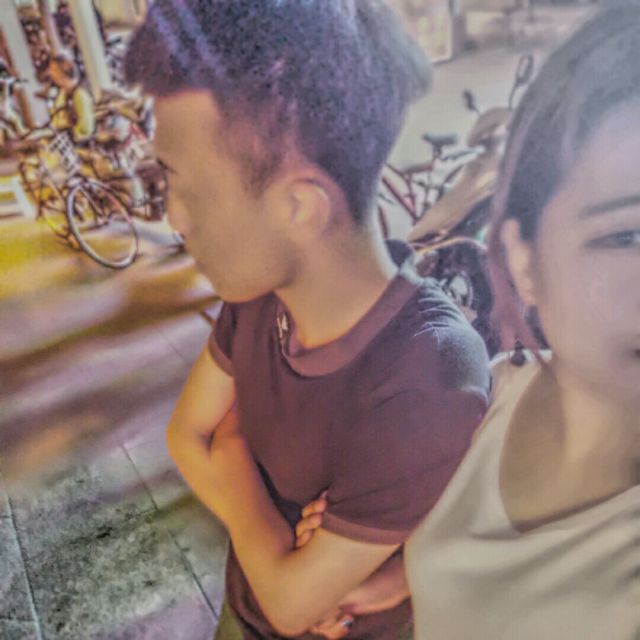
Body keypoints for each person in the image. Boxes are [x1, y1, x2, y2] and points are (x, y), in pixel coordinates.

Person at [124, 2, 491, 638]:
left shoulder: (430, 373)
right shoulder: (259, 298)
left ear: (300, 206)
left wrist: (232, 454)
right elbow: (186, 436)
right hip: (242, 606)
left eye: (185, 186)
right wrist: (272, 549)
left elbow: (293, 608)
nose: (174, 218)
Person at [299, 4, 640, 638]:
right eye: (629, 236)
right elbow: (492, 565)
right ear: (523, 259)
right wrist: (384, 574)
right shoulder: (492, 393)